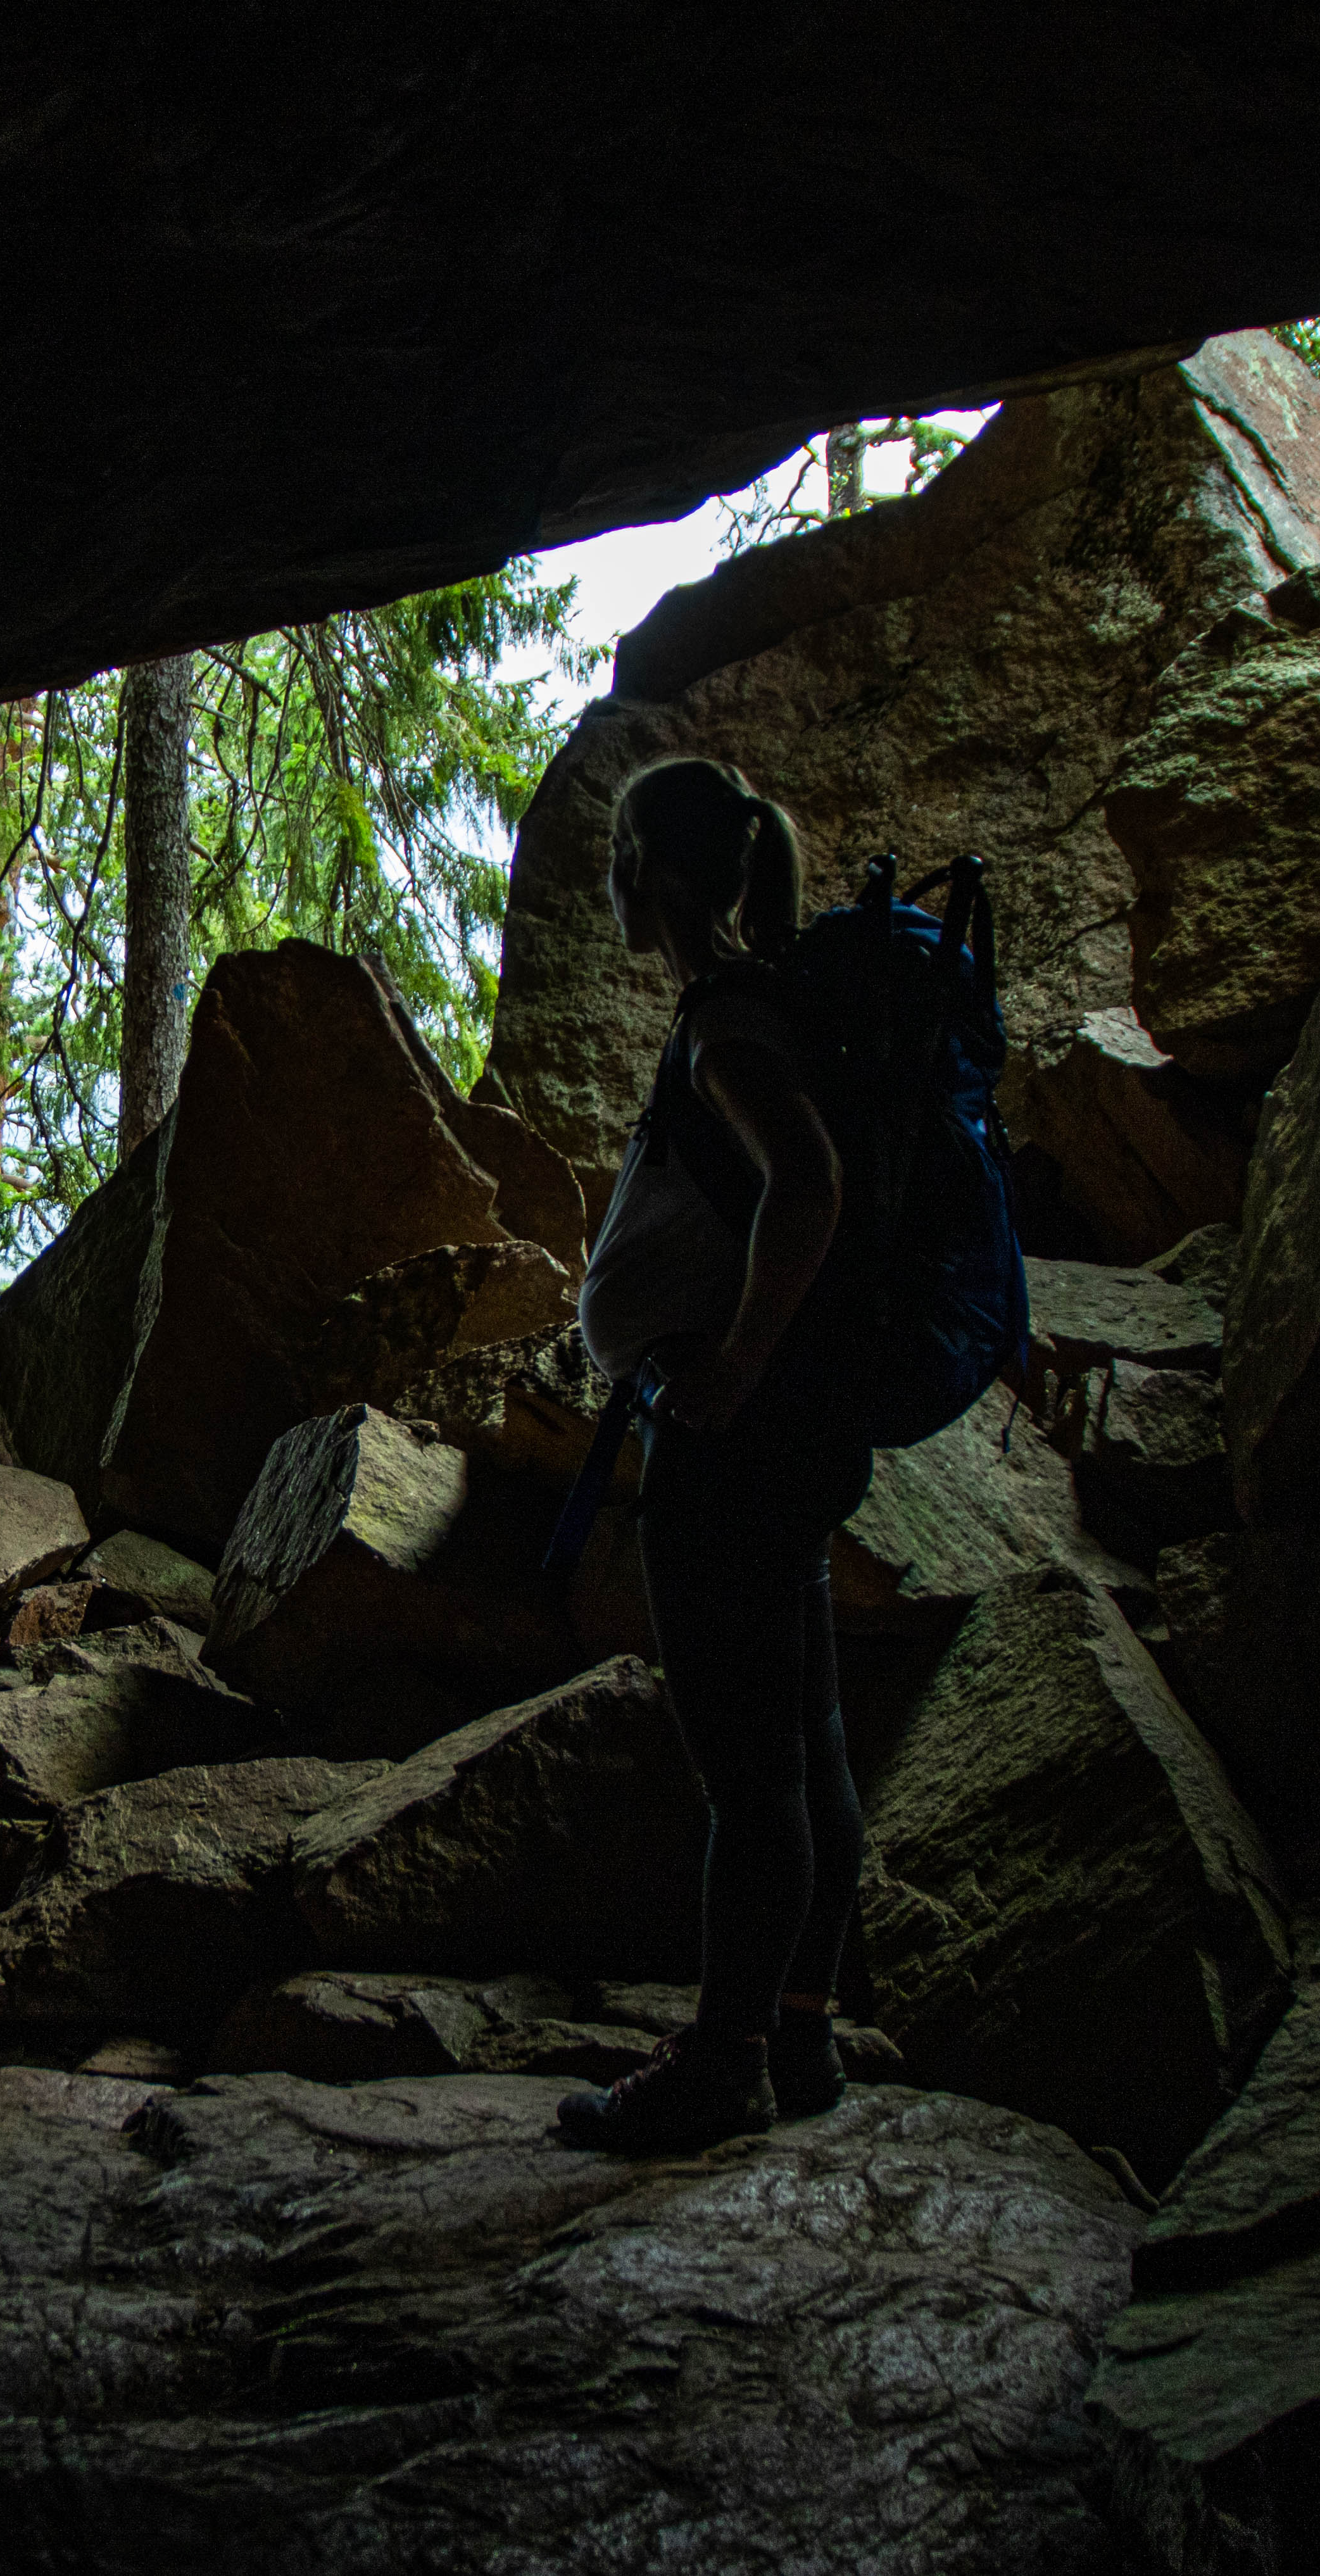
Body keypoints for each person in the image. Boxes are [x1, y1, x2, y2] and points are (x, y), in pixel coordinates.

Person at [556, 755, 866, 2153]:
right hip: (791, 1438)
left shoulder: (729, 1025)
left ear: (652, 872)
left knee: (751, 1770)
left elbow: (805, 1180)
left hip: (734, 1446)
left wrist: (734, 1361)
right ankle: (797, 2031)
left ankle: (723, 2063)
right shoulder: (756, 1002)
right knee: (801, 1744)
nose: (607, 877)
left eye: (618, 852)